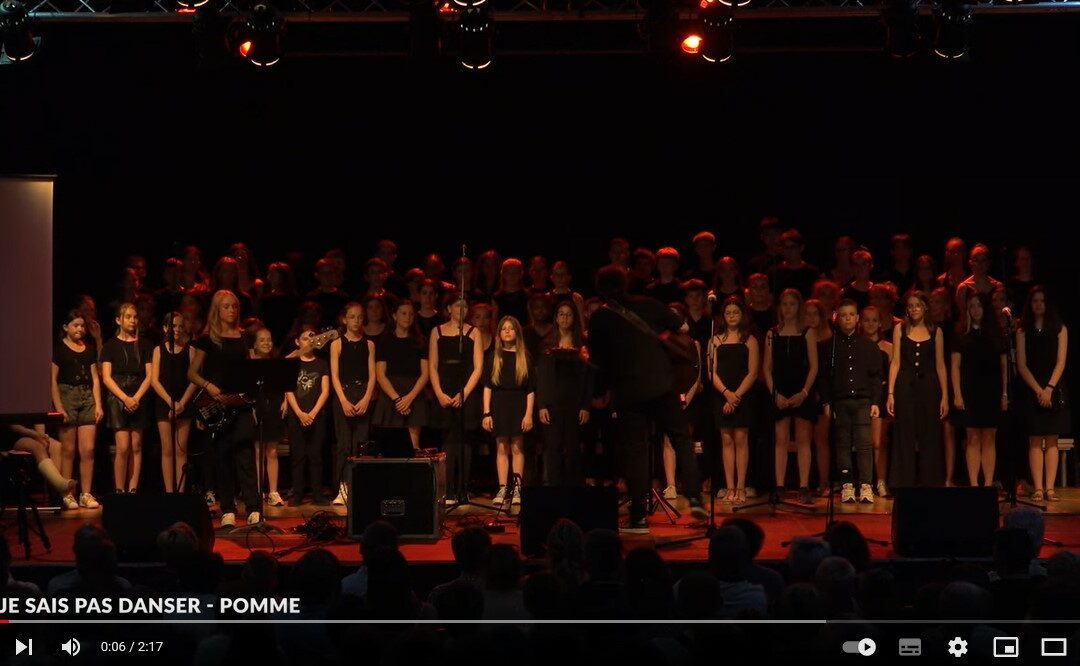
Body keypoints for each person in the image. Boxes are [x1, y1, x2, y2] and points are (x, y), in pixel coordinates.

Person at [586, 265, 707, 534]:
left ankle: (639, 516)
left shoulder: (600, 319)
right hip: (663, 384)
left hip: (629, 392)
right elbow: (683, 326)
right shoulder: (649, 304)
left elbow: (598, 363)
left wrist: (598, 393)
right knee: (680, 438)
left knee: (636, 452)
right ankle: (695, 496)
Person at [188, 289, 263, 527]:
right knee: (223, 457)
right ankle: (228, 508)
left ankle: (253, 507)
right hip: (218, 406)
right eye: (226, 306)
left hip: (240, 405)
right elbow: (191, 372)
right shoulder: (207, 339)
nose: (231, 311)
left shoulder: (244, 338)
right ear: (217, 310)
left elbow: (251, 371)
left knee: (245, 456)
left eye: (234, 307)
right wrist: (209, 386)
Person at [819, 300, 883, 503]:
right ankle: (847, 484)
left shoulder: (868, 346)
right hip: (840, 401)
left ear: (857, 319)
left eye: (851, 315)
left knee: (865, 444)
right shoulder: (830, 347)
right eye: (843, 315)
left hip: (863, 401)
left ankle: (866, 485)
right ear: (837, 318)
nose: (847, 318)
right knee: (843, 443)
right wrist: (827, 402)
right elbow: (825, 378)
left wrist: (875, 402)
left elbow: (876, 377)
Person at [887, 291, 949, 488]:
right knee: (904, 433)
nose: (913, 309)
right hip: (905, 385)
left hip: (929, 387)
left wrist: (945, 395)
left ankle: (930, 482)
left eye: (917, 305)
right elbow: (895, 362)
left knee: (929, 433)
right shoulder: (900, 329)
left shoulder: (935, 331)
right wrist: (890, 393)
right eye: (910, 305)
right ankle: (903, 483)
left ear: (925, 307)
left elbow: (940, 365)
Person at [763, 289, 818, 504]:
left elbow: (814, 367)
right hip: (780, 389)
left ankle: (804, 486)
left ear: (799, 307)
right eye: (784, 304)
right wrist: (774, 393)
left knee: (804, 439)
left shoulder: (807, 332)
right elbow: (766, 368)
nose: (788, 308)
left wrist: (804, 393)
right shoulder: (772, 333)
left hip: (802, 389)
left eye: (792, 304)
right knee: (781, 439)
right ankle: (779, 485)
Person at [1016, 286, 1069, 501]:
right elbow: (1021, 364)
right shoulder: (1022, 329)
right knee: (1035, 440)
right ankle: (1038, 487)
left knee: (1052, 440)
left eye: (1042, 301)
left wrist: (1049, 388)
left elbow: (1061, 362)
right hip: (1032, 389)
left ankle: (1050, 488)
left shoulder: (1059, 328)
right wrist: (1038, 390)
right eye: (1035, 301)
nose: (1038, 305)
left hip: (1053, 388)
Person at [429, 293, 484, 502]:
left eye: (464, 307)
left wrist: (464, 393)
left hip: (465, 392)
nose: (461, 311)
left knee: (465, 441)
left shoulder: (473, 332)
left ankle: (463, 489)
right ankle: (448, 489)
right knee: (448, 441)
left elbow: (478, 367)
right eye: (457, 306)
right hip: (444, 391)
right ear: (449, 308)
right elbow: (433, 367)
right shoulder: (437, 332)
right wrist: (440, 393)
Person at [952, 293, 1008, 488]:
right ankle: (975, 484)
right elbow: (955, 366)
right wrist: (957, 394)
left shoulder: (995, 334)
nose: (975, 310)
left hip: (991, 391)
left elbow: (1004, 366)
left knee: (989, 437)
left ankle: (989, 483)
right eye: (972, 306)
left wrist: (1004, 393)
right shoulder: (961, 334)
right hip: (970, 391)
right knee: (973, 437)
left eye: (978, 306)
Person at [50, 309, 102, 509]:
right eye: (75, 325)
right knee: (68, 450)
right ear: (65, 328)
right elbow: (52, 381)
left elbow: (95, 379)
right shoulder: (59, 349)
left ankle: (86, 494)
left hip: (86, 397)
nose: (80, 329)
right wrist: (59, 406)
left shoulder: (88, 350)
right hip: (67, 396)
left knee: (87, 449)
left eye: (82, 325)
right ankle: (67, 493)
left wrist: (98, 404)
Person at [710, 296, 760, 505]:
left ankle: (740, 486)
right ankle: (729, 486)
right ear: (723, 316)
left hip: (743, 395)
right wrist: (726, 394)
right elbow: (711, 372)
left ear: (742, 315)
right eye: (728, 313)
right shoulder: (715, 340)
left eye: (735, 312)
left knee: (741, 438)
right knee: (726, 439)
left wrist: (735, 396)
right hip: (721, 395)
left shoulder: (750, 340)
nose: (732, 316)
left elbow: (753, 372)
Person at [537, 301, 594, 487]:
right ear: (556, 317)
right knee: (552, 448)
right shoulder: (547, 342)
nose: (564, 318)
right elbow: (542, 377)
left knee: (573, 449)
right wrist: (542, 405)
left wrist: (585, 405)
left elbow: (587, 377)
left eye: (568, 314)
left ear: (574, 318)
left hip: (574, 403)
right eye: (561, 314)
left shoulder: (582, 343)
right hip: (553, 403)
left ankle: (573, 489)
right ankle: (554, 488)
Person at [100, 302, 153, 494]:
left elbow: (149, 375)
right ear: (118, 320)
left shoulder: (144, 345)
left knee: (136, 445)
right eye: (128, 317)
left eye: (135, 317)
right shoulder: (110, 346)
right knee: (123, 446)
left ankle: (133, 489)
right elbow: (106, 377)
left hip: (138, 396)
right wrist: (125, 398)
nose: (133, 320)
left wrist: (136, 397)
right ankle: (119, 489)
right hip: (118, 397)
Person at [482, 316, 535, 505]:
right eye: (503, 328)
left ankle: (518, 488)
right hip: (499, 404)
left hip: (518, 403)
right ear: (499, 334)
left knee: (517, 446)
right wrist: (486, 413)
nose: (507, 331)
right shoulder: (494, 357)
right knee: (502, 446)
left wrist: (528, 414)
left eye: (511, 328)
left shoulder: (524, 357)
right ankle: (503, 487)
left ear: (517, 333)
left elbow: (530, 389)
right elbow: (487, 387)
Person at [329, 303, 376, 505]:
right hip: (343, 395)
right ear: (344, 319)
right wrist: (343, 400)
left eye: (359, 317)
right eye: (352, 317)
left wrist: (366, 398)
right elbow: (335, 375)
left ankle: (358, 486)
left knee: (361, 444)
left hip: (362, 393)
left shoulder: (369, 345)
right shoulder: (337, 344)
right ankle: (341, 487)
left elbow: (373, 375)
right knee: (343, 445)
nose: (356, 321)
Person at [373, 300, 430, 452]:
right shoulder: (385, 341)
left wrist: (409, 398)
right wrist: (397, 399)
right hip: (391, 393)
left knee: (413, 447)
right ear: (394, 316)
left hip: (414, 393)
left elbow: (425, 373)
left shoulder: (420, 341)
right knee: (389, 446)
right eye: (403, 313)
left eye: (411, 314)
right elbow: (380, 374)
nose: (407, 317)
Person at [150, 312, 196, 493]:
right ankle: (169, 491)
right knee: (167, 450)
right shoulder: (158, 350)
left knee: (181, 449)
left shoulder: (190, 350)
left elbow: (193, 379)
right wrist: (171, 403)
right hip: (164, 403)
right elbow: (154, 380)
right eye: (173, 326)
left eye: (180, 326)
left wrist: (182, 403)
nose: (176, 330)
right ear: (165, 328)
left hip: (184, 402)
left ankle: (180, 489)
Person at [286, 327, 331, 505]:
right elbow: (288, 388)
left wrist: (312, 413)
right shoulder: (293, 362)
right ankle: (297, 494)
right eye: (305, 338)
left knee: (316, 455)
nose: (310, 340)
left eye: (312, 337)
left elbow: (325, 391)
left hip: (316, 415)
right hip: (296, 415)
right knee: (298, 456)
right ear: (298, 342)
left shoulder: (321, 363)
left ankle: (317, 494)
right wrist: (299, 413)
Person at [250, 327, 287, 508]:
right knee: (257, 451)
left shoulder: (275, 363)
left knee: (272, 451)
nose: (266, 343)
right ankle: (257, 492)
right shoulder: (250, 364)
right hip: (256, 408)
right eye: (262, 340)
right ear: (255, 344)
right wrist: (251, 408)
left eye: (269, 340)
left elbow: (283, 386)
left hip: (272, 407)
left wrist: (285, 400)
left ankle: (273, 492)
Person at [859, 305, 893, 498]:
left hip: (879, 398)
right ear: (860, 322)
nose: (870, 324)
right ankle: (864, 482)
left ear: (880, 323)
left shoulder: (888, 347)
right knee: (862, 442)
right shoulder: (855, 345)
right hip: (860, 398)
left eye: (874, 320)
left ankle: (880, 481)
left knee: (878, 442)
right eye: (866, 320)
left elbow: (892, 376)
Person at [1, 425, 77, 497]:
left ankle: (60, 495)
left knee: (57, 446)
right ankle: (60, 485)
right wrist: (36, 435)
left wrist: (41, 436)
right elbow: (14, 426)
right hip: (14, 437)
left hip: (33, 435)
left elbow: (39, 418)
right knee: (38, 447)